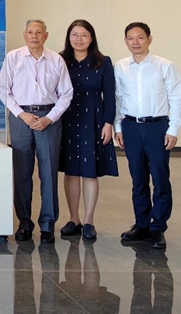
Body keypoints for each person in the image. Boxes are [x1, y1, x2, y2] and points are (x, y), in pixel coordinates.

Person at [0, 19, 73, 244]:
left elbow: (66, 93)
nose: (34, 36)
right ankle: (24, 223)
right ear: (25, 35)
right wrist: (22, 114)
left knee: (48, 172)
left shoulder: (56, 60)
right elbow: (3, 90)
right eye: (30, 32)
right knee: (22, 172)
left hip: (49, 118)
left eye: (39, 32)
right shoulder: (13, 58)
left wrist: (49, 118)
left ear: (46, 36)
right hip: (21, 117)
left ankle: (48, 225)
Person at [114, 22, 181, 250]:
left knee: (160, 178)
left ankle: (158, 228)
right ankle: (141, 224)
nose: (135, 42)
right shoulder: (120, 67)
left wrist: (173, 130)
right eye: (130, 38)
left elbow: (177, 98)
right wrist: (118, 128)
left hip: (157, 127)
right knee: (138, 178)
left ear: (149, 39)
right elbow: (117, 99)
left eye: (140, 37)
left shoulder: (165, 66)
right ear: (125, 41)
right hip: (131, 127)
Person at [58, 19, 118, 242]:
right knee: (71, 171)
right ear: (69, 37)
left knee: (90, 171)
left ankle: (89, 220)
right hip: (67, 118)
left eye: (84, 35)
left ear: (91, 38)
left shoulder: (103, 62)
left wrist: (108, 123)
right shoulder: (60, 60)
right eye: (74, 34)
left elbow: (110, 95)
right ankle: (73, 219)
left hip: (94, 119)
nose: (79, 39)